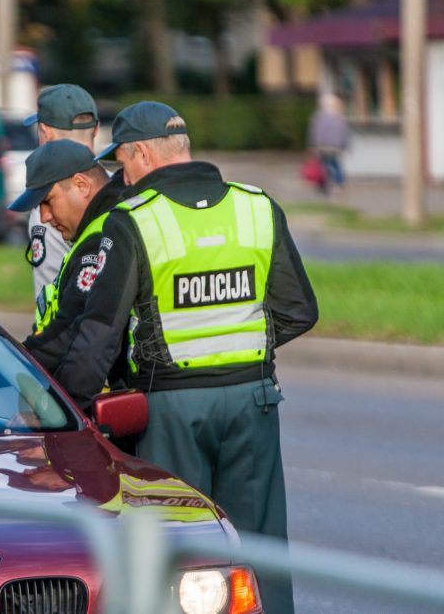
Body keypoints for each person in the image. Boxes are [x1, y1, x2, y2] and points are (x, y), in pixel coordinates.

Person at [56, 100, 317, 613]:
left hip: (171, 408)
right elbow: (299, 310)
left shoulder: (132, 221)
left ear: (143, 155)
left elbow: (100, 334)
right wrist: (236, 347)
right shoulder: (256, 206)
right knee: (260, 547)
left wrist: (68, 406)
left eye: (123, 162)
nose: (121, 175)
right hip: (253, 399)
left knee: (178, 557)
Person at [7, 139, 126, 391]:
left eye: (48, 201)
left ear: (82, 185)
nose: (46, 217)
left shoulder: (103, 236)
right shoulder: (105, 224)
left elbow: (69, 333)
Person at [22, 84, 102, 298]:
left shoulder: (49, 202)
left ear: (46, 133)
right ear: (96, 129)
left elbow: (50, 291)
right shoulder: (118, 185)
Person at [307, 93, 350, 198]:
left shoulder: (318, 117)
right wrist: (345, 145)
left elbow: (315, 133)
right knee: (335, 164)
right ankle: (338, 183)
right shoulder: (339, 117)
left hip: (323, 146)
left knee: (325, 166)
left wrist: (313, 145)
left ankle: (325, 185)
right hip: (335, 147)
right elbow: (344, 133)